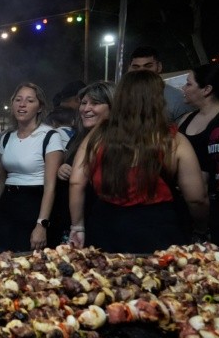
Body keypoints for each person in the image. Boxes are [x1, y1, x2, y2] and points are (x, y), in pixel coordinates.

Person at [69, 70, 209, 253]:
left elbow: (76, 181)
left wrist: (77, 226)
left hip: (105, 227)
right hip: (157, 230)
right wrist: (201, 229)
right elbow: (197, 198)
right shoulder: (174, 140)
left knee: (104, 278)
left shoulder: (99, 134)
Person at [0, 82, 64, 252]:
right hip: (8, 204)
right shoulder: (7, 138)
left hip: (35, 204)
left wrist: (41, 225)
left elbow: (50, 186)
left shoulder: (50, 136)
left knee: (26, 264)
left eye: (30, 101)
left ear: (40, 108)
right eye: (18, 100)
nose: (22, 104)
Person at [53, 81, 115, 244]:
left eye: (95, 103)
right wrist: (62, 169)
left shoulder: (119, 143)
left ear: (112, 106)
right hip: (72, 219)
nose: (86, 109)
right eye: (84, 103)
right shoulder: (78, 137)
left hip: (101, 221)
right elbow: (68, 165)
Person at [178, 63, 219, 244]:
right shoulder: (185, 119)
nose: (183, 88)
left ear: (207, 89)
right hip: (187, 210)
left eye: (188, 84)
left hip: (217, 211)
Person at [128, 46, 194, 123]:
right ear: (129, 69)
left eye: (148, 66)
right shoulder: (122, 98)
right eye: (136, 67)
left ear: (159, 67)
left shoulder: (177, 100)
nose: (142, 71)